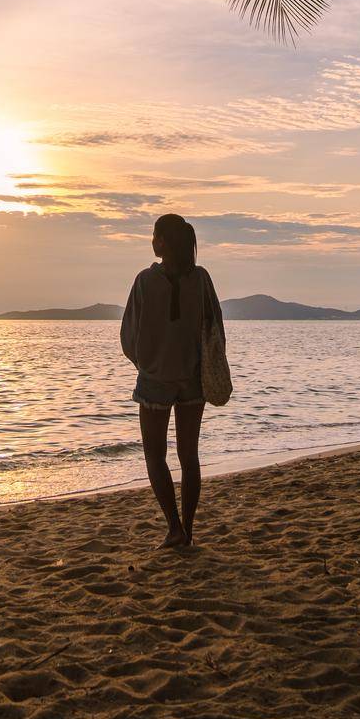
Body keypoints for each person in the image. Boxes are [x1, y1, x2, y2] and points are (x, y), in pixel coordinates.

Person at [120, 213, 225, 549]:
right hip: (192, 378)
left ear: (163, 241)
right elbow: (215, 327)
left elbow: (129, 334)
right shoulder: (201, 278)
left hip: (156, 378)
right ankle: (188, 530)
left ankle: (174, 528)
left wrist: (145, 362)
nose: (151, 241)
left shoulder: (145, 280)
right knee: (188, 456)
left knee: (155, 455)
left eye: (154, 235)